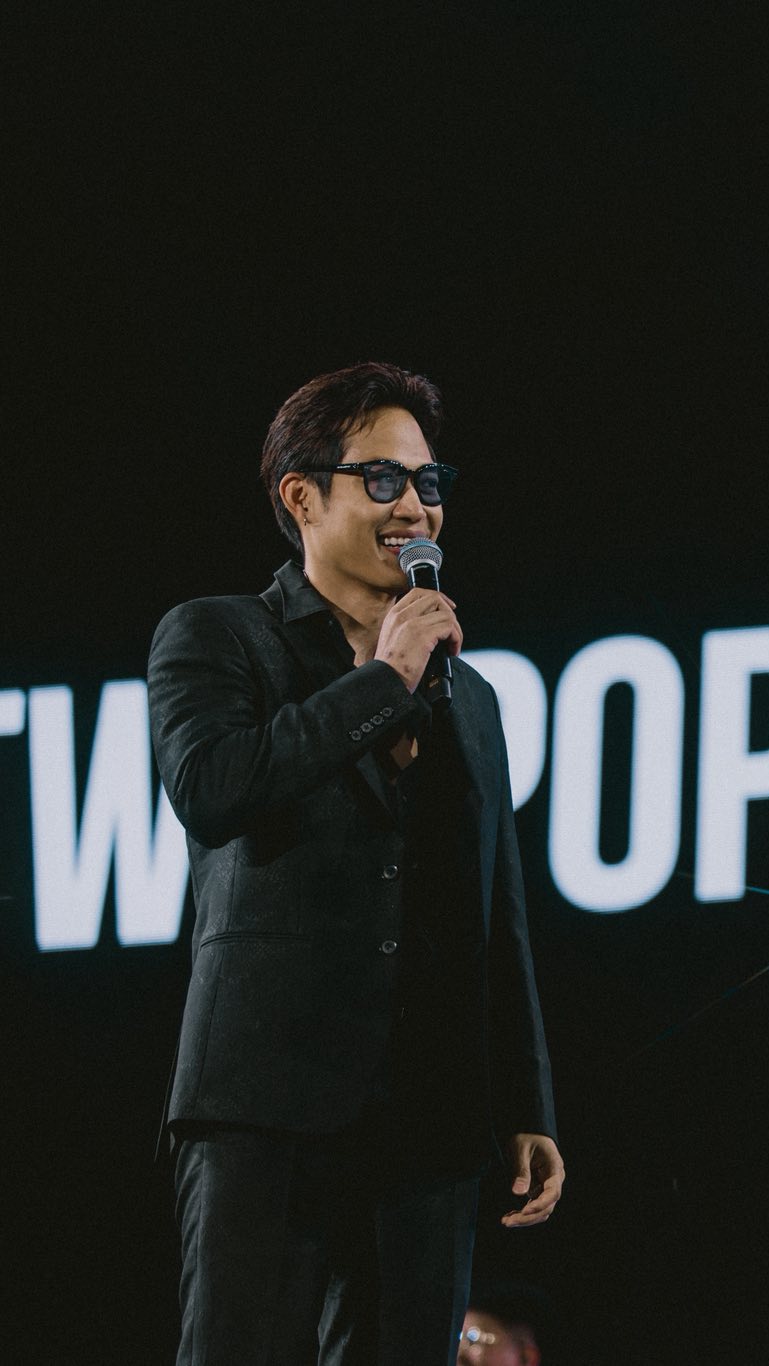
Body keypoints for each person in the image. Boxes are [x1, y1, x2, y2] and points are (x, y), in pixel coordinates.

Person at [149, 362, 564, 1365]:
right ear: (301, 497)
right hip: (266, 1102)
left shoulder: (472, 696)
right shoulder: (220, 635)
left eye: (428, 481)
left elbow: (495, 907)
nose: (415, 505)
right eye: (382, 479)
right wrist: (384, 679)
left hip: (428, 1118)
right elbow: (214, 787)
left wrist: (524, 1106)